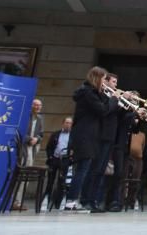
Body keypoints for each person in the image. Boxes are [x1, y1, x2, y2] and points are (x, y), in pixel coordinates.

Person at [64, 66, 113, 212]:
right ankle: (71, 201)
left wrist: (107, 95)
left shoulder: (91, 93)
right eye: (104, 79)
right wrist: (114, 99)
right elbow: (103, 110)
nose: (105, 82)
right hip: (85, 134)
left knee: (85, 169)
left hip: (89, 134)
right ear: (97, 78)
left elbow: (101, 105)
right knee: (82, 170)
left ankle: (78, 200)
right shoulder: (87, 93)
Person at [84, 74, 121, 212]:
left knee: (101, 171)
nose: (116, 85)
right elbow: (105, 110)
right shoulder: (102, 95)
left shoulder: (111, 97)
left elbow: (116, 113)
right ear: (105, 82)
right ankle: (87, 199)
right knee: (95, 169)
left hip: (110, 136)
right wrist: (115, 98)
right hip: (101, 135)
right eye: (113, 82)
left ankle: (94, 200)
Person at [14, 98, 43, 209]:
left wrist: (37, 139)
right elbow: (20, 132)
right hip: (23, 149)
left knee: (25, 177)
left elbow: (41, 134)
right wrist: (29, 139)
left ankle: (19, 201)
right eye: (35, 105)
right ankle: (15, 201)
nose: (37, 107)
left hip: (32, 150)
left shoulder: (40, 119)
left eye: (39, 105)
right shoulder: (25, 117)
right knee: (20, 175)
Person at [46, 116, 73, 208]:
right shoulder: (56, 134)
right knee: (50, 181)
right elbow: (49, 147)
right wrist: (50, 157)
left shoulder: (72, 136)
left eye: (70, 123)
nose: (68, 125)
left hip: (65, 160)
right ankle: (47, 200)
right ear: (63, 123)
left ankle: (57, 202)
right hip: (54, 159)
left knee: (61, 182)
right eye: (67, 122)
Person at [124, 113, 147, 210]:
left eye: (138, 119)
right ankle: (122, 200)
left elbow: (143, 147)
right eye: (135, 119)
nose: (136, 121)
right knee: (124, 179)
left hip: (138, 159)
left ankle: (132, 200)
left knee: (135, 180)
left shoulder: (142, 135)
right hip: (127, 157)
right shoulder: (127, 132)